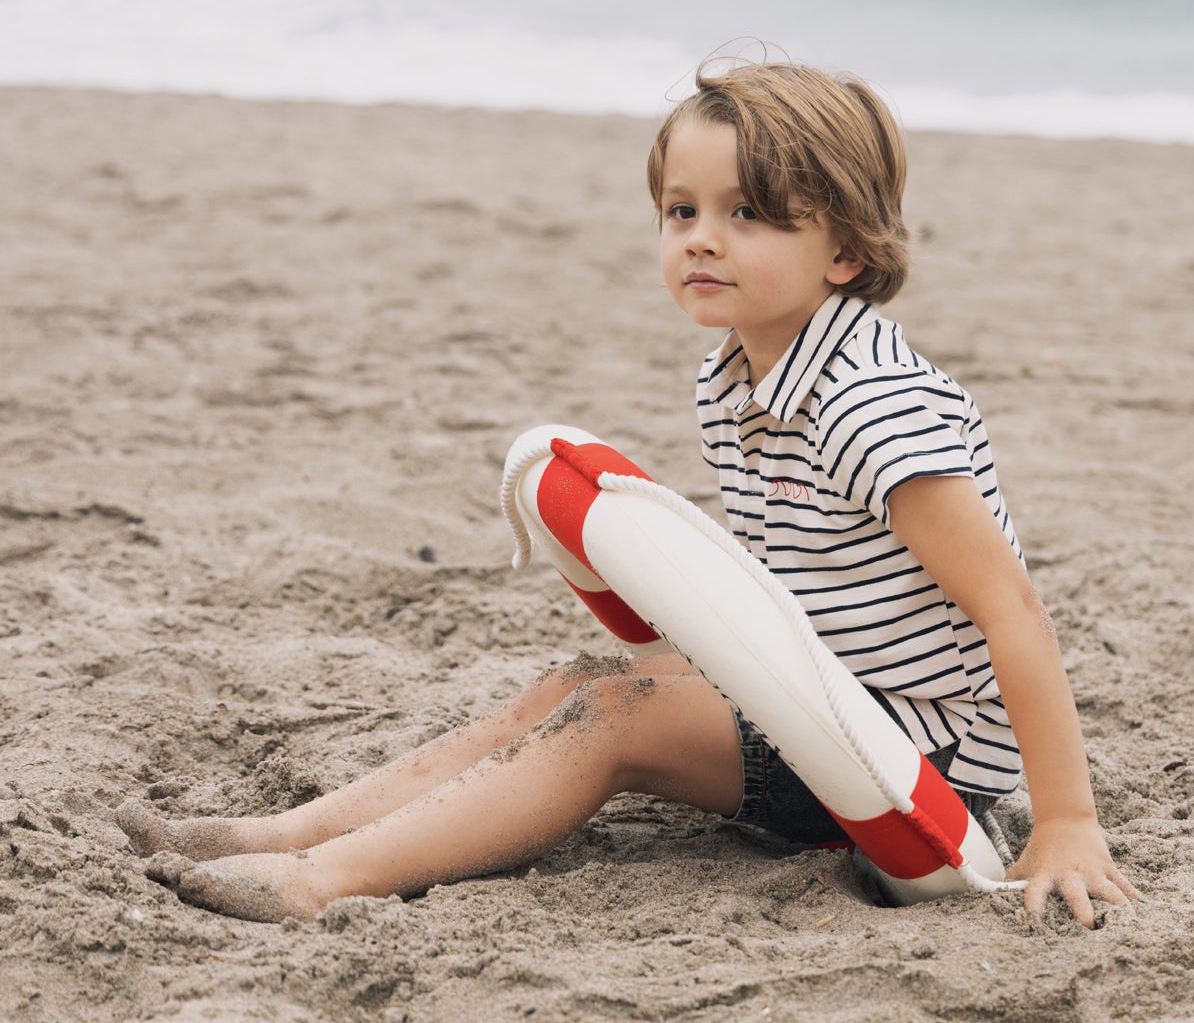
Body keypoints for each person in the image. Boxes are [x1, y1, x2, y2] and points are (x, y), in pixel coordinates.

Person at [119, 61, 1135, 928]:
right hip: (828, 689)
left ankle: (318, 879)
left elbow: (1009, 606)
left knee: (614, 720)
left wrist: (1065, 821)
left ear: (843, 250)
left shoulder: (872, 407)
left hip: (920, 753)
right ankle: (286, 829)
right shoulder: (731, 376)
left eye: (746, 214)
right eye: (680, 210)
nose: (699, 237)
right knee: (575, 682)